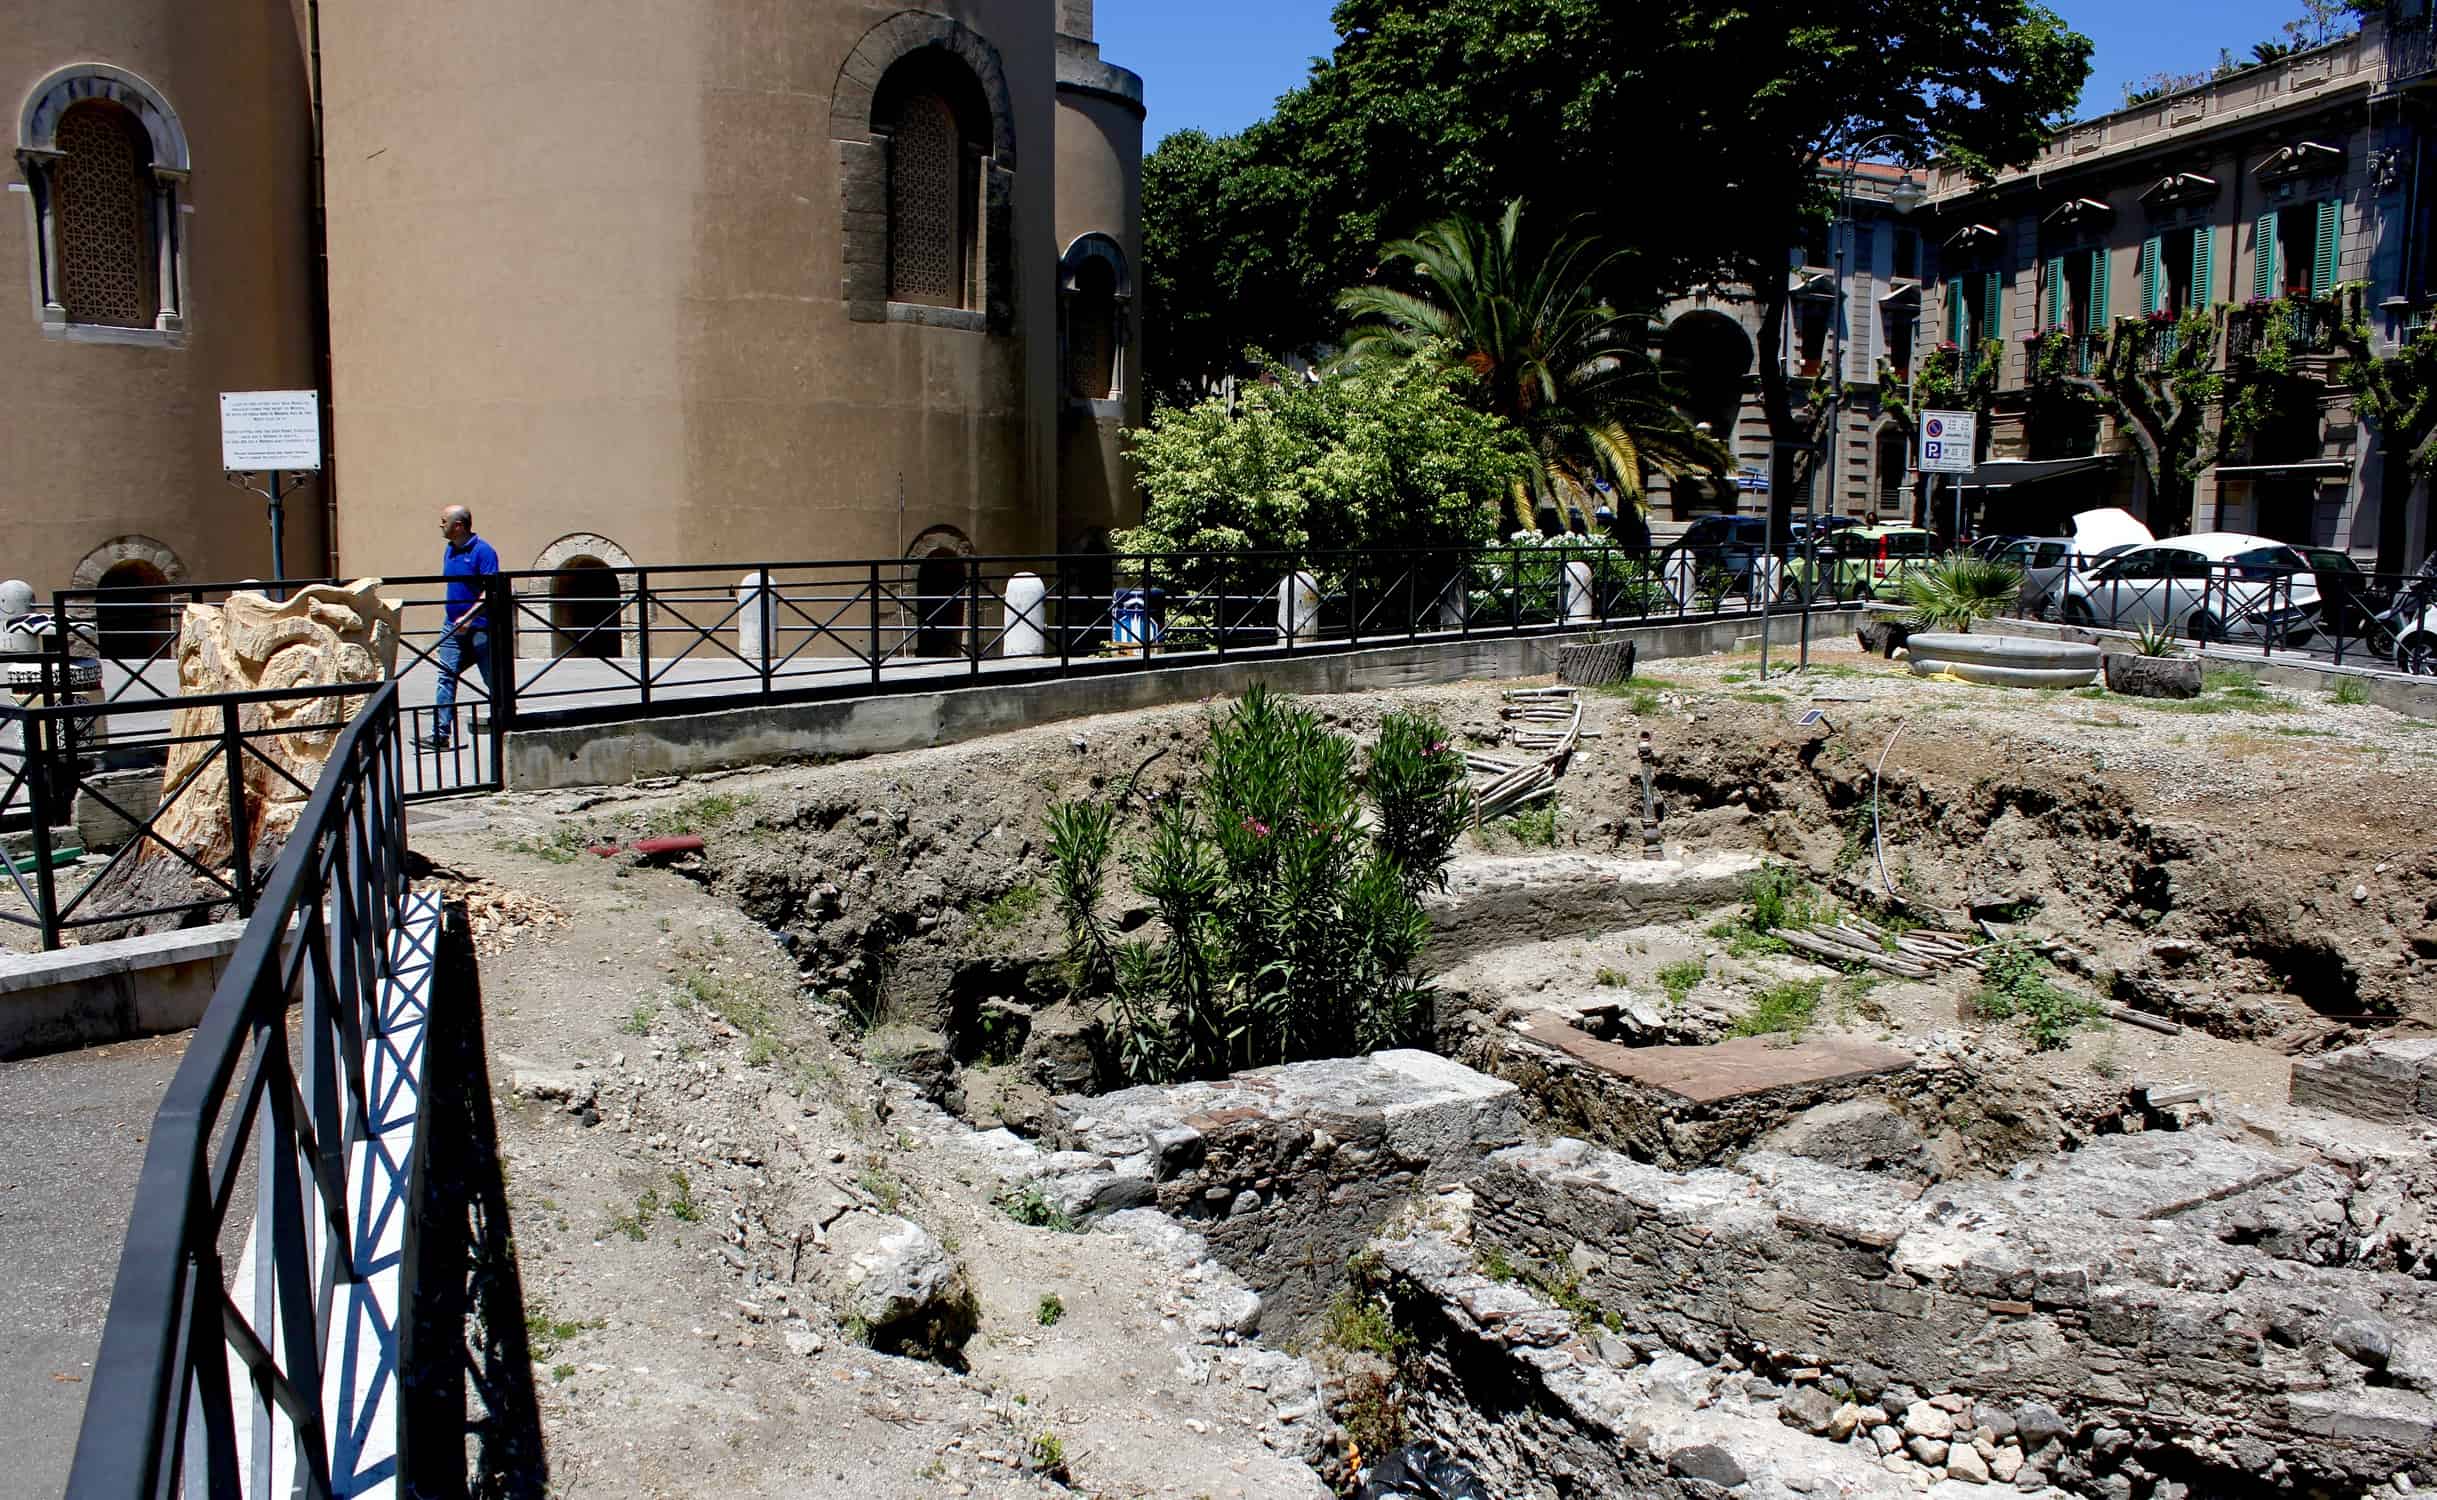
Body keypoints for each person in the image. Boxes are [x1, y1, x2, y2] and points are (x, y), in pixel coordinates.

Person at [424, 505, 499, 749]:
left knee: (493, 679)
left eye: (444, 521)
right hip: (451, 626)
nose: (440, 524)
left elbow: (491, 591)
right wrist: (457, 620)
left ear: (458, 525)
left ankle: (505, 722)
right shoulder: (450, 550)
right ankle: (440, 734)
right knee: (445, 675)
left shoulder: (484, 552)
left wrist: (468, 618)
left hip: (481, 627)